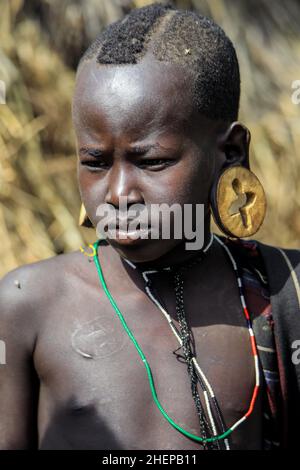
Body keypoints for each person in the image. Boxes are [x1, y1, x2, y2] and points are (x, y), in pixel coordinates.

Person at [0, 3, 299, 450]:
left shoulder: (284, 293)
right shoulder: (29, 306)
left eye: (152, 161)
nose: (119, 194)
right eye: (95, 162)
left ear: (231, 152)